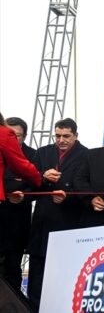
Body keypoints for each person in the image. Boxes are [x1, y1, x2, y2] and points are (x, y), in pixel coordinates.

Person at [25, 118, 87, 310]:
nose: (61, 140)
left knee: (64, 275)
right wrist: (43, 176)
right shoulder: (43, 152)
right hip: (42, 222)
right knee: (36, 275)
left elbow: (87, 190)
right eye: (57, 136)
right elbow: (30, 184)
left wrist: (67, 197)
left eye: (66, 136)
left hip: (68, 222)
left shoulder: (87, 155)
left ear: (76, 136)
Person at [0, 117, 37, 298]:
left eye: (17, 136)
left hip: (18, 223)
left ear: (25, 136)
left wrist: (23, 196)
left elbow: (38, 184)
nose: (12, 139)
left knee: (13, 270)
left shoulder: (33, 155)